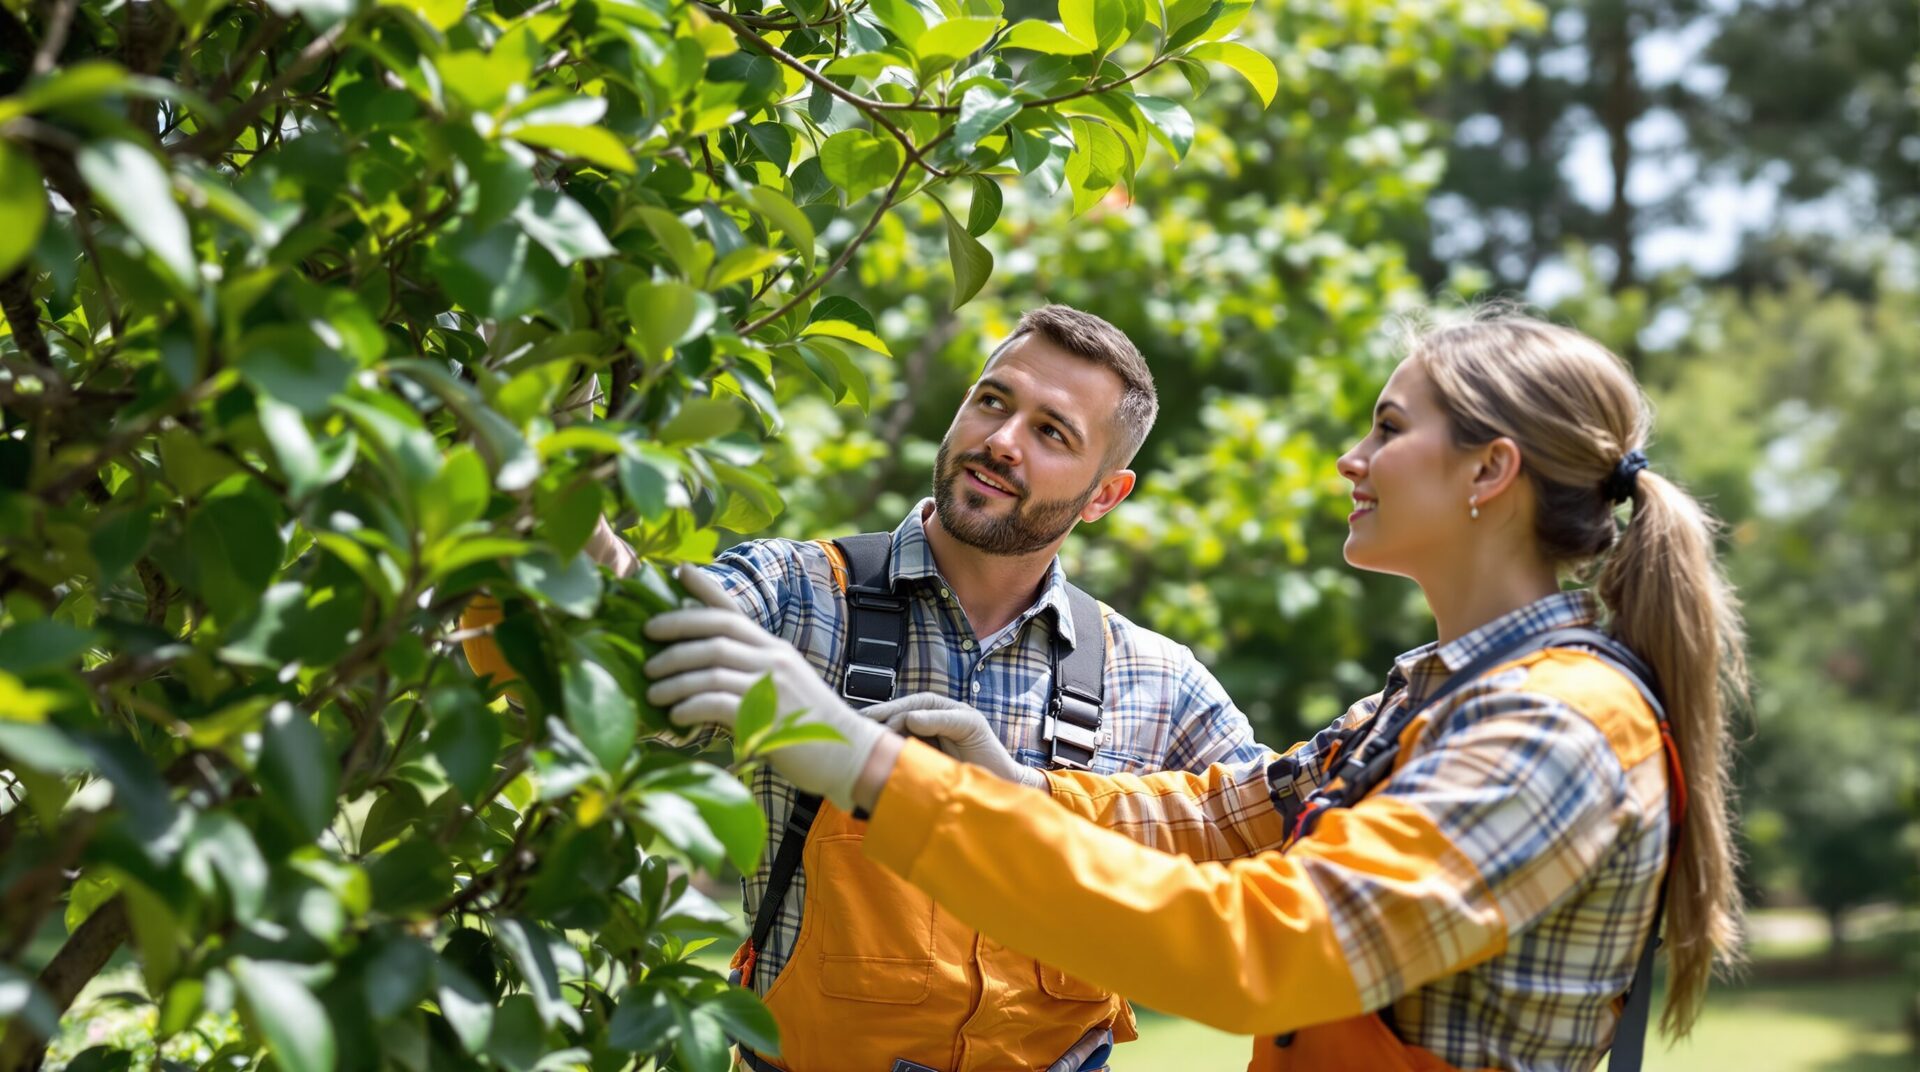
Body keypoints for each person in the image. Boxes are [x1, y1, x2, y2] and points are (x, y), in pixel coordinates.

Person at [641, 311, 1749, 1072]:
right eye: (991, 402)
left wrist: (862, 761)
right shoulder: (1423, 704)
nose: (1349, 460)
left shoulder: (1555, 728)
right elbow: (1220, 817)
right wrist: (1008, 782)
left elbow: (1268, 946)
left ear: (1490, 472)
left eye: (1388, 426)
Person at [464, 306, 1265, 1072]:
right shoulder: (797, 594)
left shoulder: (1155, 679)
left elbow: (1290, 842)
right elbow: (628, 645)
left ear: (1103, 496)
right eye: (992, 401)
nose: (1002, 441)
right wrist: (547, 458)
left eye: (1051, 432)